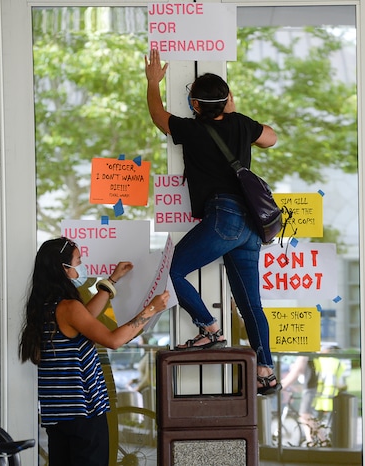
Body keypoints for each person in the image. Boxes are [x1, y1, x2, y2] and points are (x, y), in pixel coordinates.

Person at [144, 49, 281, 395]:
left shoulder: (192, 130)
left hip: (225, 217)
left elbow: (159, 117)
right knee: (251, 304)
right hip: (251, 227)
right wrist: (233, 111)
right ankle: (266, 370)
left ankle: (209, 329)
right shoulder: (241, 124)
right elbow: (271, 138)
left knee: (171, 270)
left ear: (195, 105)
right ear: (227, 100)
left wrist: (152, 82)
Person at [18, 237, 171, 466]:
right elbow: (113, 340)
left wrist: (111, 281)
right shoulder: (68, 307)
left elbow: (85, 317)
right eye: (78, 260)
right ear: (64, 268)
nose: (81, 264)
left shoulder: (46, 305)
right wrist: (151, 310)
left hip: (58, 415)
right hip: (84, 414)